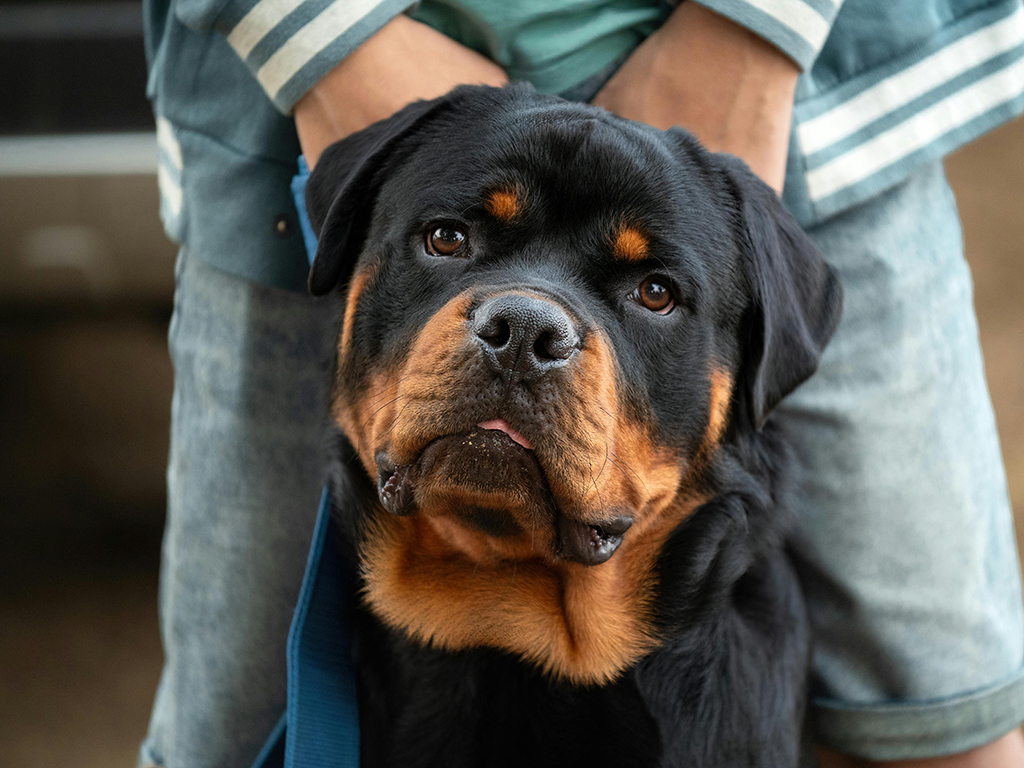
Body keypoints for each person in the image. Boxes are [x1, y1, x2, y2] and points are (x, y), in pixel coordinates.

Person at [139, 1, 1024, 766]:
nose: (527, 328)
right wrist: (318, 32)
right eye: (449, 240)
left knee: (947, 726)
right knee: (225, 743)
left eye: (653, 292)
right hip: (319, 85)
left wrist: (755, 29)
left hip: (793, 106)